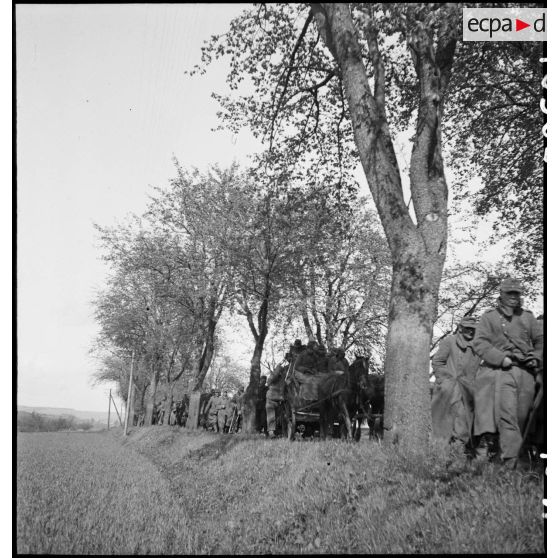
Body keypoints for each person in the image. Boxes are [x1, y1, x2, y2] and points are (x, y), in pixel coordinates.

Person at [473, 277, 543, 468]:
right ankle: (511, 463)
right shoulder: (489, 317)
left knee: (522, 418)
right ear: (501, 295)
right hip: (504, 370)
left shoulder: (528, 317)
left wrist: (537, 357)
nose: (513, 297)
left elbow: (541, 341)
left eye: (517, 294)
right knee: (508, 416)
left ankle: (508, 455)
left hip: (526, 373)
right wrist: (499, 358)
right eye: (509, 293)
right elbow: (479, 343)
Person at [430, 316, 480, 450]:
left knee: (462, 427)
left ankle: (457, 457)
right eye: (468, 329)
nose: (471, 332)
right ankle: (438, 457)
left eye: (473, 329)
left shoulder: (477, 347)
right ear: (461, 328)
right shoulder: (449, 341)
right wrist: (444, 381)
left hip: (467, 392)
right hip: (447, 391)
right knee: (441, 427)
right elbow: (437, 362)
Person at [266, 353, 291, 438]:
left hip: (280, 400)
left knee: (279, 418)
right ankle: (271, 433)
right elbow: (269, 381)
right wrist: (278, 367)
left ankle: (279, 433)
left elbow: (289, 369)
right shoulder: (273, 377)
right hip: (271, 399)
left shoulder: (284, 378)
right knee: (271, 417)